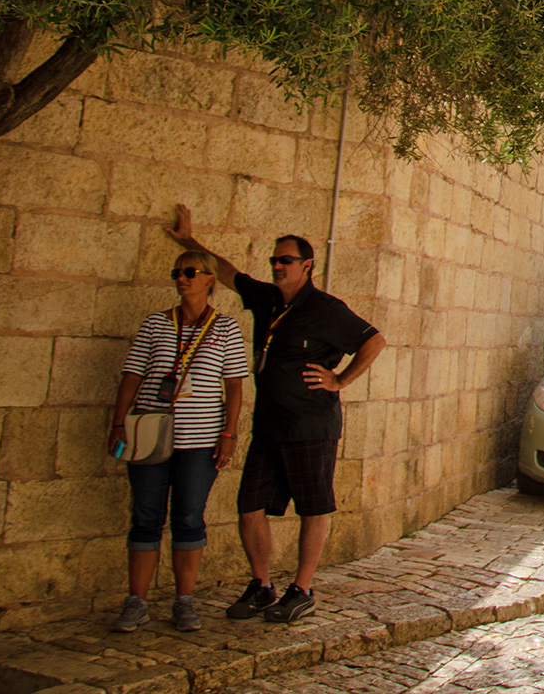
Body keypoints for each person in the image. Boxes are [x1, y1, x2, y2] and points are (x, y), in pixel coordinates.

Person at [166, 206, 387, 624]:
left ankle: (302, 589)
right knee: (249, 506)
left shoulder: (325, 308)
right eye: (273, 260)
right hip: (268, 426)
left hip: (310, 426)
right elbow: (227, 272)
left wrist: (340, 380)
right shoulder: (266, 298)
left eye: (285, 260)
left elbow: (374, 341)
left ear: (306, 266)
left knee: (313, 508)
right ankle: (262, 585)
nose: (277, 266)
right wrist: (190, 243)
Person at [106, 249, 249, 632]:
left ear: (208, 281)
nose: (181, 278)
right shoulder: (156, 324)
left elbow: (234, 387)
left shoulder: (225, 329)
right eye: (177, 273)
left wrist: (230, 433)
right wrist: (118, 423)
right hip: (150, 435)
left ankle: (184, 601)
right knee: (146, 516)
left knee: (188, 517)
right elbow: (133, 375)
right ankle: (136, 601)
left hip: (200, 440)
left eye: (190, 272)